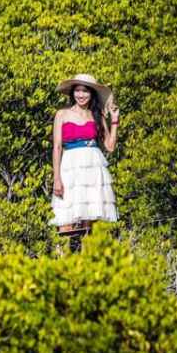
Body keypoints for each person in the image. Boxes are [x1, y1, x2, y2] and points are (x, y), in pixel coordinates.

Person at [50, 73, 120, 233]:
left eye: (85, 91)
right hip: (70, 169)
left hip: (93, 168)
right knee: (66, 217)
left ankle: (86, 248)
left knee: (90, 218)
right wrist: (57, 179)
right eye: (77, 90)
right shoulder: (62, 114)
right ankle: (67, 249)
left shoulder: (97, 115)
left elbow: (109, 146)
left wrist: (114, 120)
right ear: (72, 92)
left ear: (91, 94)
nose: (81, 95)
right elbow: (57, 147)